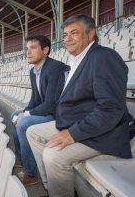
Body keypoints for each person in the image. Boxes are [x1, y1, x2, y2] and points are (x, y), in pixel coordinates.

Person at [26, 15, 131, 196]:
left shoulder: (103, 57)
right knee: (32, 132)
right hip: (76, 122)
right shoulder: (78, 60)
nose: (67, 39)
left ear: (91, 34)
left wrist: (72, 134)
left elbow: (111, 109)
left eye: (74, 33)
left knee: (54, 156)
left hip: (104, 133)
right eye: (65, 35)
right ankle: (51, 186)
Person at [11, 34, 67, 185]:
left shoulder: (55, 68)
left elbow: (51, 104)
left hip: (57, 115)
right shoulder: (33, 71)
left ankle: (31, 173)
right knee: (14, 115)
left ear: (45, 50)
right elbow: (35, 99)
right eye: (27, 48)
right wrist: (23, 112)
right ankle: (21, 158)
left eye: (33, 48)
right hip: (47, 110)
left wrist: (26, 114)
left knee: (23, 123)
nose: (28, 52)